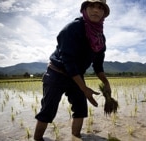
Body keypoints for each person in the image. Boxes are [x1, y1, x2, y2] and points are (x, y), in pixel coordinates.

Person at [33, 0, 111, 141]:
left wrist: (106, 82)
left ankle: (76, 137)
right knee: (48, 111)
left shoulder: (100, 38)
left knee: (81, 109)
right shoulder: (72, 29)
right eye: (92, 6)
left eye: (100, 8)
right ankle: (37, 139)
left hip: (76, 76)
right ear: (84, 9)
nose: (96, 10)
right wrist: (84, 88)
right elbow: (68, 62)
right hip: (57, 73)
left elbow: (98, 65)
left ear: (104, 14)